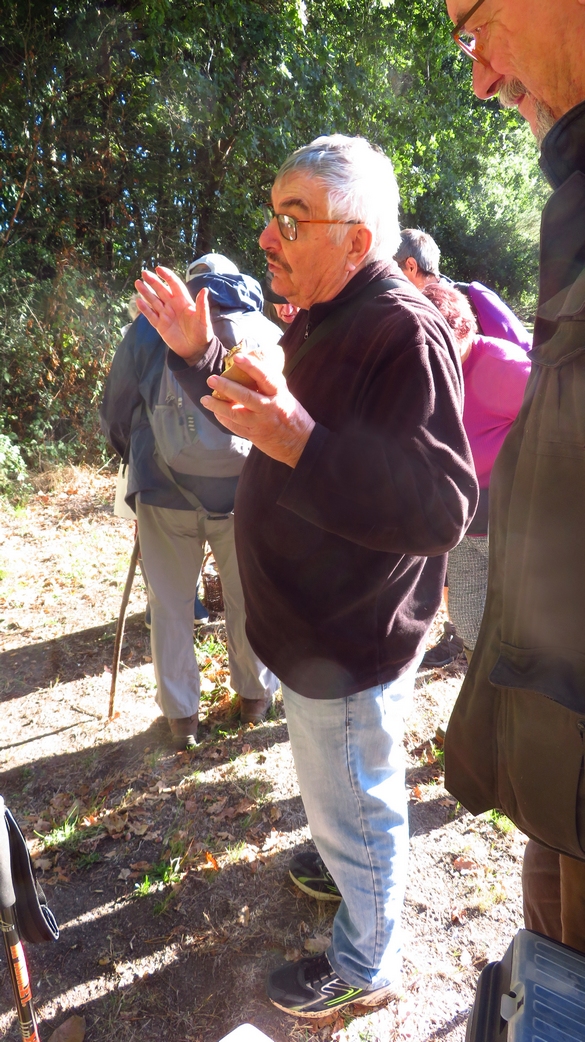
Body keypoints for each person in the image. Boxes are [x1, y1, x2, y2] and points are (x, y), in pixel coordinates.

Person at [134, 134, 478, 1015]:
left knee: (358, 797)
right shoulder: (329, 313)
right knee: (341, 791)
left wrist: (299, 442)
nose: (267, 237)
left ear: (356, 240)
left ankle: (366, 967)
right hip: (311, 627)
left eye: (294, 219)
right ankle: (337, 853)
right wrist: (201, 353)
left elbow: (442, 507)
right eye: (272, 215)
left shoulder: (401, 328)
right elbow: (269, 411)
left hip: (347, 637)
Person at [443, 0, 585, 952]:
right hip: (559, 757)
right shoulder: (573, 197)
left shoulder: (486, 360)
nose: (481, 76)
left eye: (474, 24)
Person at [100, 253, 280, 749]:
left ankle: (183, 720)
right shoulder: (263, 328)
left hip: (164, 487)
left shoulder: (149, 326)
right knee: (249, 598)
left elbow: (115, 410)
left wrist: (135, 461)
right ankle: (255, 699)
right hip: (247, 492)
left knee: (172, 605)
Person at [422, 282, 530, 659]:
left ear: (466, 329)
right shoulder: (423, 365)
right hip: (461, 520)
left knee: (524, 626)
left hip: (513, 518)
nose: (437, 358)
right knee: (468, 621)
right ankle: (480, 690)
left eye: (445, 345)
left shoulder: (506, 365)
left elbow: (557, 426)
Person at [396, 228, 532, 350]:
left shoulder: (473, 295)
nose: (390, 277)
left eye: (394, 270)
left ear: (411, 266)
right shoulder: (408, 309)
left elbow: (524, 350)